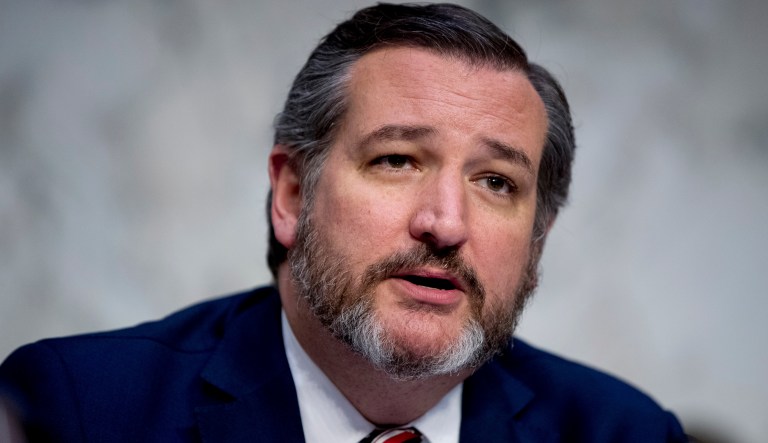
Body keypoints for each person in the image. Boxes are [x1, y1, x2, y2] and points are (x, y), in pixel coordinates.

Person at [0, 3, 687, 442]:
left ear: (538, 242)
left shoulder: (623, 432)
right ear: (293, 194)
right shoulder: (82, 410)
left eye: (496, 181)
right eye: (397, 159)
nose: (445, 223)